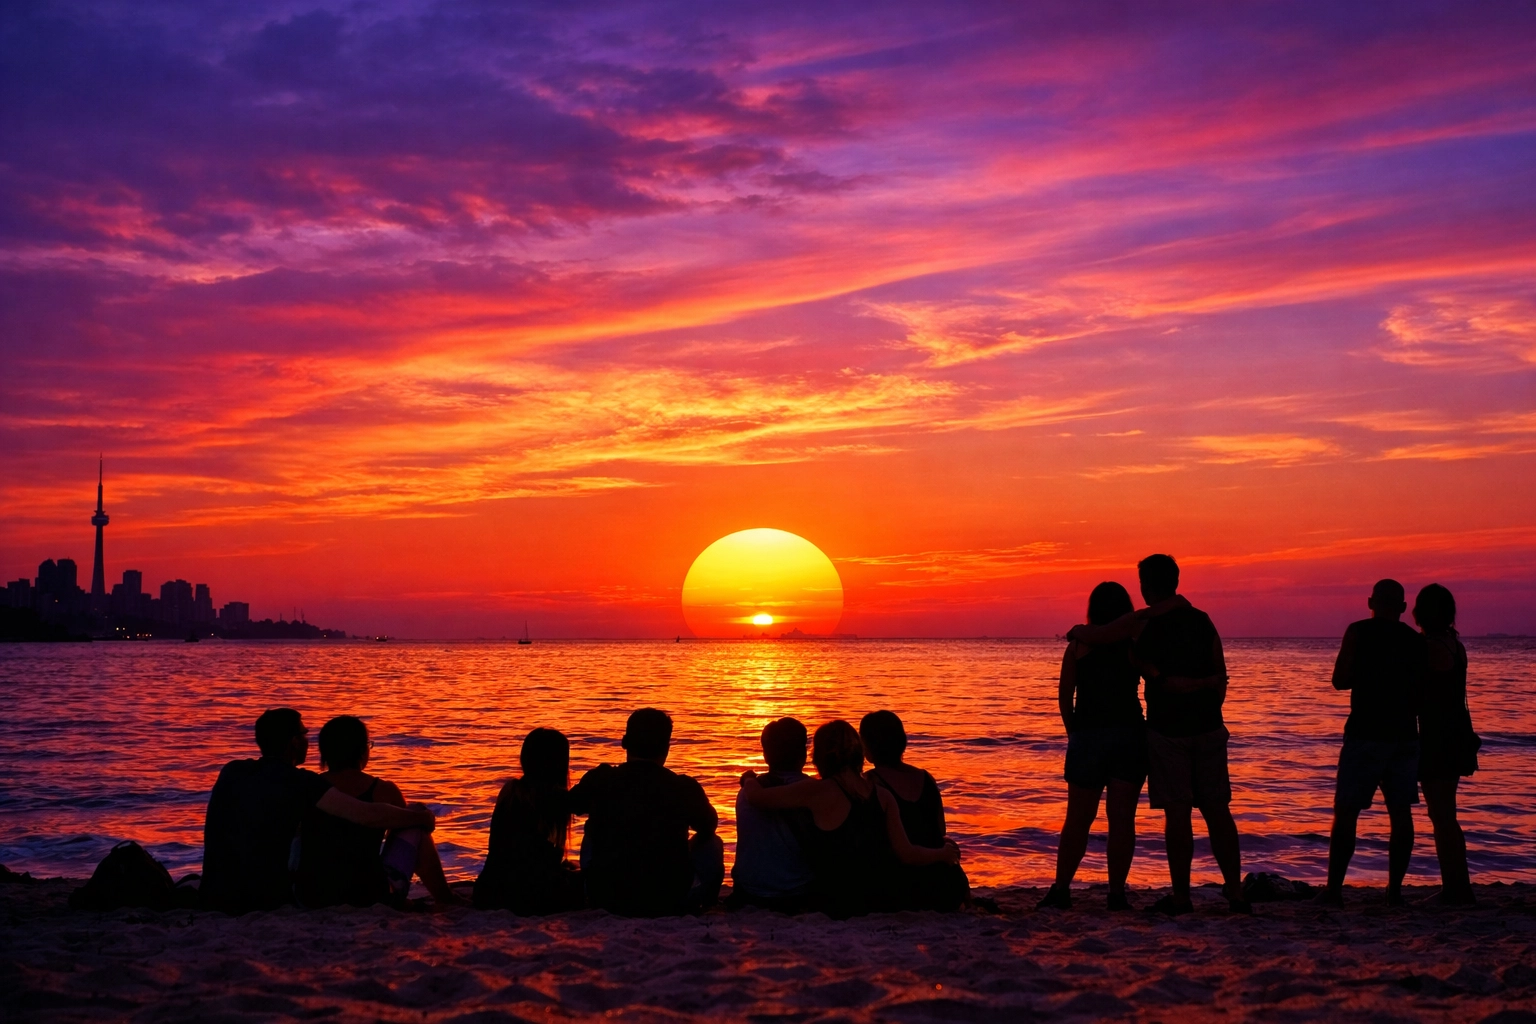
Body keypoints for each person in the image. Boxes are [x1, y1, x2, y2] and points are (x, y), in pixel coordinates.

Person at [1068, 554, 1246, 915]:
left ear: (1147, 586)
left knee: (1178, 814)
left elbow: (1100, 634)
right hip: (1209, 727)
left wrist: (1075, 632)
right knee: (1217, 812)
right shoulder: (1203, 620)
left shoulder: (1140, 624)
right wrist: (1208, 704)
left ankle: (1182, 898)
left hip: (1167, 731)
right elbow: (1221, 675)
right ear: (1176, 581)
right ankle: (1236, 892)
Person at [200, 707, 435, 914]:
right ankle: (445, 897)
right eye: (304, 734)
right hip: (266, 897)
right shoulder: (301, 782)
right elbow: (365, 815)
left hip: (216, 891)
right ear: (294, 742)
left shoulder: (232, 771)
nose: (308, 740)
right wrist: (421, 817)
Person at [740, 719, 961, 918]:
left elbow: (758, 798)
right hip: (878, 897)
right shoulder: (882, 795)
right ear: (858, 752)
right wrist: (941, 854)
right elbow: (907, 853)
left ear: (819, 756)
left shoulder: (816, 791)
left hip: (837, 901)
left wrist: (750, 778)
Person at [1316, 579, 1427, 907]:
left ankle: (1334, 891)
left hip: (1366, 732)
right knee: (1401, 812)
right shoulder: (1414, 641)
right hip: (1405, 734)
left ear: (1370, 602)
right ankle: (1394, 891)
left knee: (1347, 812)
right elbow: (1421, 694)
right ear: (1404, 608)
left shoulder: (1358, 631)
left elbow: (1339, 680)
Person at [1038, 582, 1146, 911]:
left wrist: (1075, 733)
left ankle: (1061, 890)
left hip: (1089, 736)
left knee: (1078, 819)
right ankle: (1116, 894)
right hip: (1129, 735)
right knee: (1122, 820)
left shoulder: (1078, 648)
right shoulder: (1132, 644)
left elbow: (1064, 698)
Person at [294, 715, 462, 908]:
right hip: (368, 893)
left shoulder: (311, 787)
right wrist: (423, 817)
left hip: (313, 893)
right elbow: (404, 828)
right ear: (361, 750)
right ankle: (445, 898)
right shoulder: (383, 790)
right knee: (414, 820)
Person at [568, 708, 724, 916]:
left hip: (607, 895)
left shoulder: (602, 778)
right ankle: (710, 903)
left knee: (591, 835)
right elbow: (708, 826)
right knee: (713, 843)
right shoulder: (683, 787)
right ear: (666, 748)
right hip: (668, 897)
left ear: (624, 742)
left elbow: (572, 805)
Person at [859, 710, 971, 911]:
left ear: (868, 747)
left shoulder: (870, 783)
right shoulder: (926, 778)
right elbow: (940, 829)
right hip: (944, 880)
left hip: (903, 882)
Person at [1414, 583, 1478, 905]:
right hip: (1455, 733)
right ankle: (1458, 884)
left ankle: (1455, 889)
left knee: (1441, 815)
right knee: (1446, 815)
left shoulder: (1432, 648)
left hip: (1438, 737)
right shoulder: (1456, 645)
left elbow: (1416, 693)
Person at [474, 727, 585, 914]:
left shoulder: (511, 792)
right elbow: (537, 869)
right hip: (529, 896)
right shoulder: (553, 798)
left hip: (489, 891)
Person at [729, 717, 816, 911]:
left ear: (766, 755)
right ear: (803, 754)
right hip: (797, 894)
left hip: (749, 893)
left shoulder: (746, 793)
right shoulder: (815, 792)